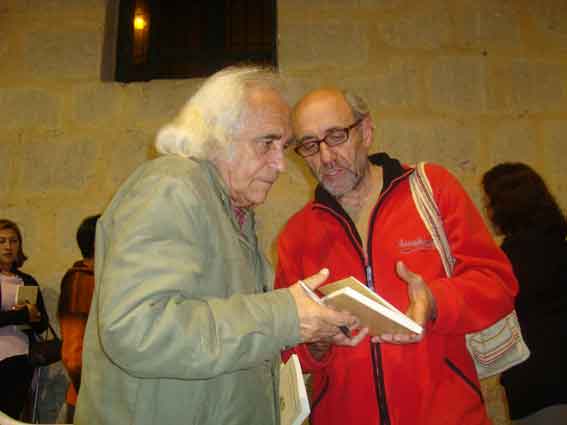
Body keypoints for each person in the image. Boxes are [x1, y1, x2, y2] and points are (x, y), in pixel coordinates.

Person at [74, 67, 361, 425]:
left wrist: (308, 328)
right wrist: (284, 315)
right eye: (267, 143)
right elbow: (137, 328)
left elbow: (227, 335)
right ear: (217, 138)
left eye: (283, 147)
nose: (280, 165)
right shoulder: (172, 188)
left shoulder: (233, 210)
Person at [274, 88, 519, 425]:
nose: (326, 157)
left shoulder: (432, 189)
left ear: (366, 132)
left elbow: (498, 283)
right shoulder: (297, 234)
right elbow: (286, 347)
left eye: (336, 136)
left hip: (446, 415)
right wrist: (315, 345)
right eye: (310, 145)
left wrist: (434, 301)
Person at [482, 163, 567, 425]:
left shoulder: (506, 262)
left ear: (505, 207)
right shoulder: (560, 246)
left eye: (489, 202)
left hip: (536, 385)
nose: (487, 210)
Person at [0, 219, 48, 420]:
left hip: (19, 357)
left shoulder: (27, 280)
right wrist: (22, 314)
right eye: (2, 241)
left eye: (13, 241)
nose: (8, 246)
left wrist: (34, 315)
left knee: (11, 416)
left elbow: (43, 325)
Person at [57, 214, 100, 423]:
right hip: (89, 401)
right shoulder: (81, 281)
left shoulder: (104, 278)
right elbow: (73, 356)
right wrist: (94, 395)